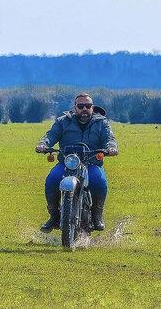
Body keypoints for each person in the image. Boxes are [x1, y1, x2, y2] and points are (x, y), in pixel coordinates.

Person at [35, 93, 119, 233]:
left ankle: (97, 216)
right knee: (52, 179)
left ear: (92, 107)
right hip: (67, 164)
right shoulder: (63, 121)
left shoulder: (101, 122)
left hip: (91, 163)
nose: (84, 109)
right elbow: (51, 135)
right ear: (75, 108)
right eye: (81, 106)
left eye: (88, 106)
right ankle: (54, 216)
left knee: (99, 181)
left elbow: (109, 138)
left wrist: (111, 147)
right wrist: (43, 144)